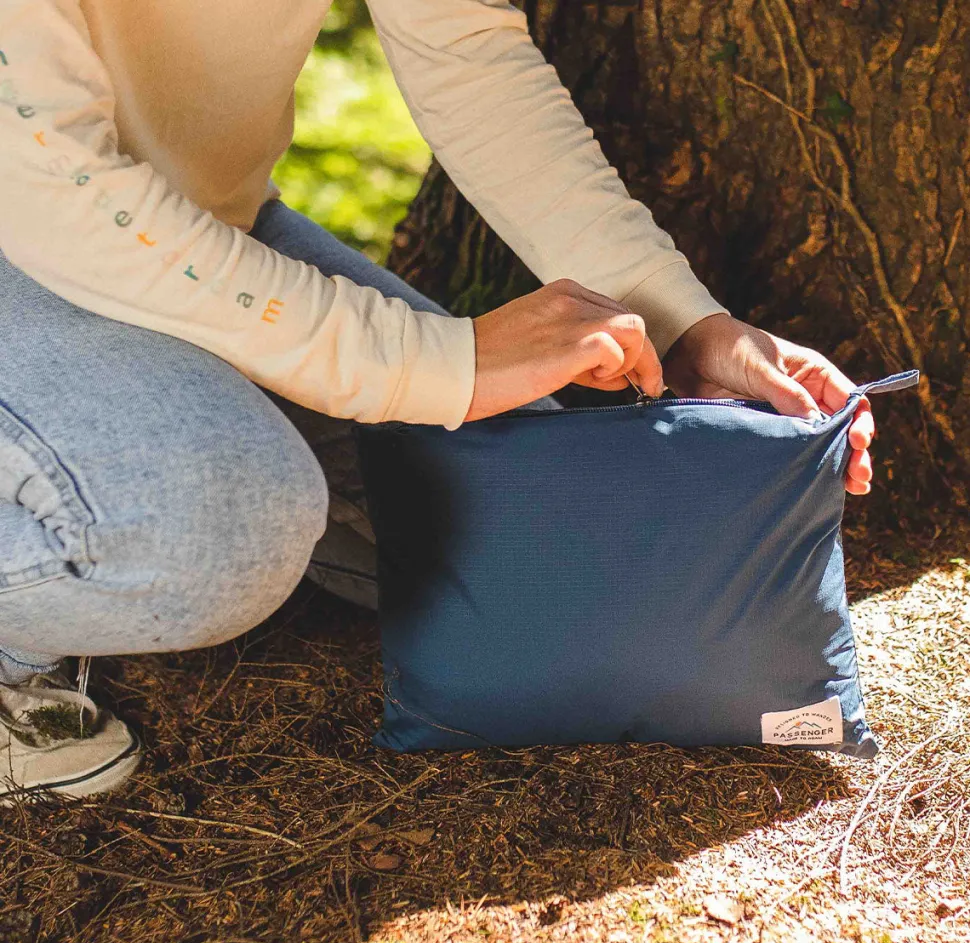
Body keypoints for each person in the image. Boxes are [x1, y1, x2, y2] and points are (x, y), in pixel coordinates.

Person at [0, 0, 875, 801]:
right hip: (27, 227)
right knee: (218, 531)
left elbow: (466, 54)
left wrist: (680, 321)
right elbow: (53, 181)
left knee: (525, 528)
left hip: (195, 223)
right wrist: (435, 364)